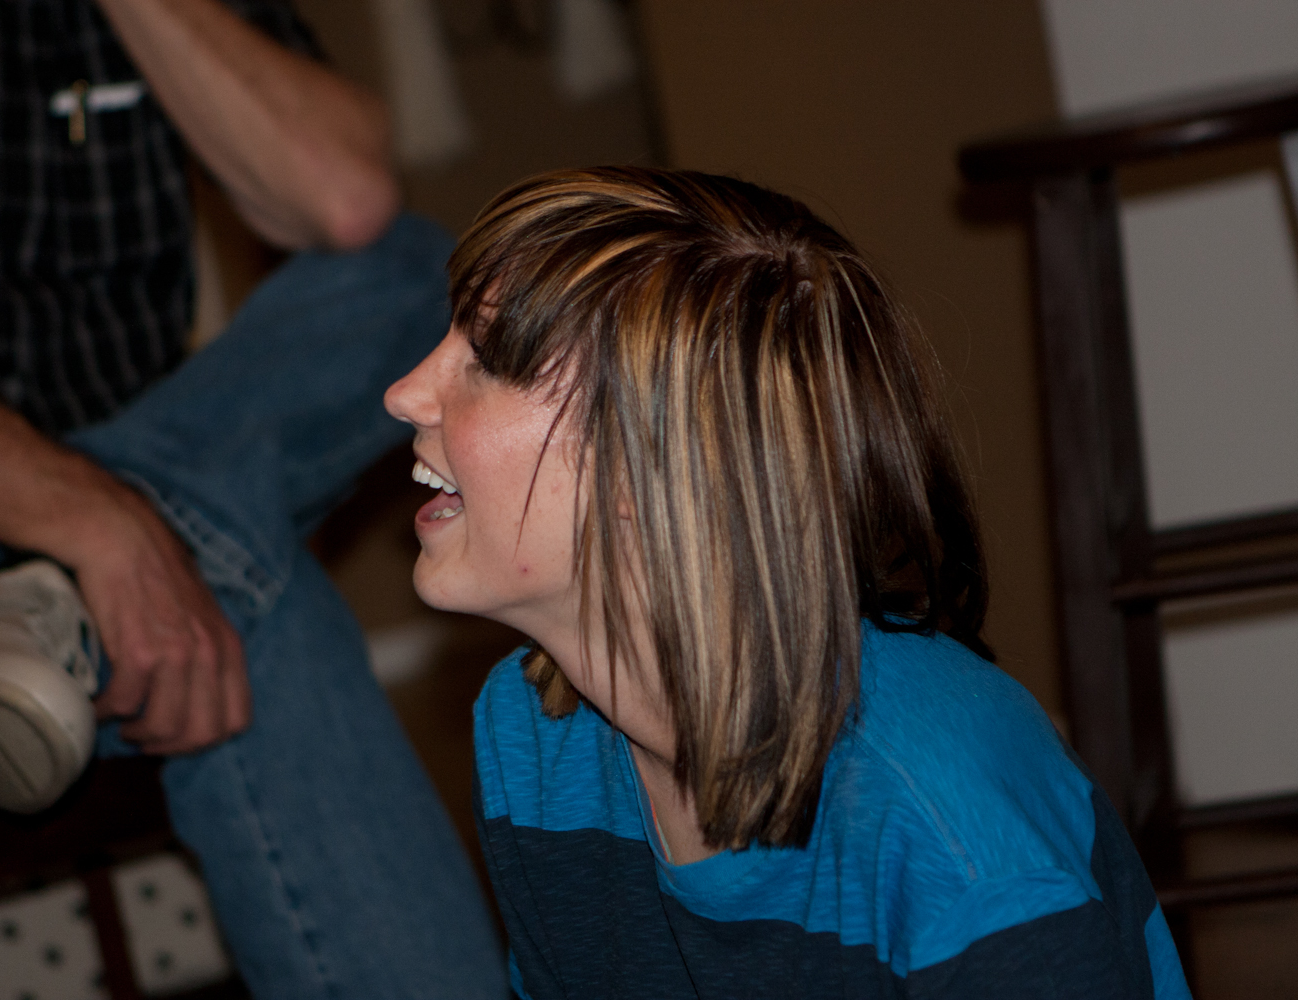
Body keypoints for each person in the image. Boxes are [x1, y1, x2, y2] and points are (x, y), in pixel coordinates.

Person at [0, 0, 505, 996]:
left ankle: (76, 585)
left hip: (144, 487)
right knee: (241, 603)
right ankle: (135, 550)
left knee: (412, 271)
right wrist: (100, 527)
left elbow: (346, 201)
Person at [383, 166, 1193, 999]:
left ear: (651, 462)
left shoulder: (952, 845)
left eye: (486, 360)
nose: (403, 393)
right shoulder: (532, 745)